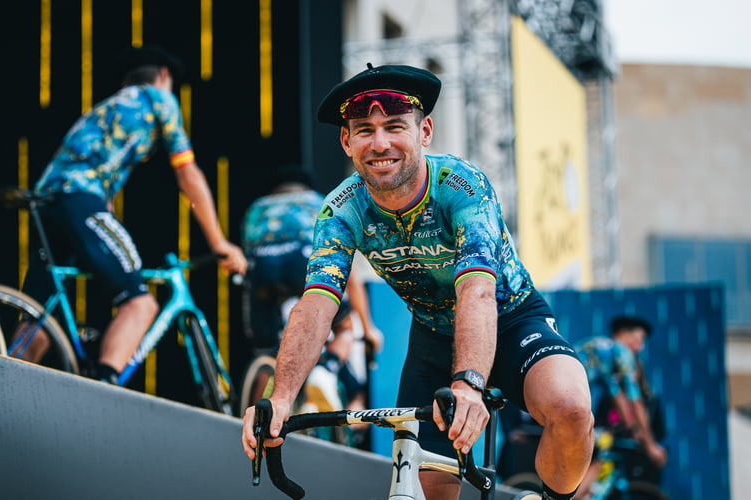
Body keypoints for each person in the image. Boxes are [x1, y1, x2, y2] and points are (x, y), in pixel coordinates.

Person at [241, 63, 593, 500]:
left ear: (425, 131)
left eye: (394, 126)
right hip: (433, 339)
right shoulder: (341, 209)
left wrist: (469, 385)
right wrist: (280, 396)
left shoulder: (461, 186)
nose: (380, 143)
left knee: (572, 409)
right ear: (346, 141)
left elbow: (477, 289)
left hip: (512, 319)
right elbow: (316, 305)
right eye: (364, 130)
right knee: (429, 491)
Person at [20, 44, 247, 383]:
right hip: (80, 201)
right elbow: (187, 173)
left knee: (38, 314)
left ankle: (9, 379)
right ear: (164, 76)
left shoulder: (102, 109)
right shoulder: (158, 98)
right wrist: (219, 242)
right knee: (140, 304)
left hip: (46, 205)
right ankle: (103, 390)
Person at [239, 165, 383, 413]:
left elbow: (245, 261)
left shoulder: (256, 209)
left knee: (269, 355)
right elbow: (349, 276)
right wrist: (368, 328)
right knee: (345, 328)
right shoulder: (321, 203)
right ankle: (325, 373)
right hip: (302, 263)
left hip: (262, 270)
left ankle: (256, 419)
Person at [575, 315, 668, 496]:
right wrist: (650, 445)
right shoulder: (621, 352)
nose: (640, 347)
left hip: (563, 404)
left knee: (592, 459)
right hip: (571, 408)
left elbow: (619, 399)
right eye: (639, 340)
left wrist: (634, 429)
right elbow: (635, 402)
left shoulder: (603, 349)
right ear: (624, 334)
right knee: (597, 459)